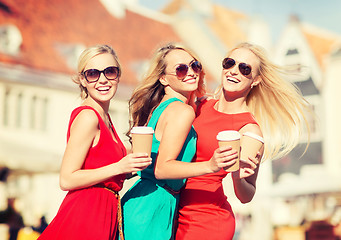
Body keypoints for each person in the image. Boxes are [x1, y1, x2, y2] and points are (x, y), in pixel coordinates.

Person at [175, 42, 311, 240]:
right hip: (174, 208)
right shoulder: (199, 104)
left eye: (244, 69)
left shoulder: (249, 130)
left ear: (255, 80)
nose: (234, 71)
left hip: (207, 219)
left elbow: (246, 196)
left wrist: (238, 176)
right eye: (229, 63)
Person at [121, 42, 239, 240]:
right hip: (154, 207)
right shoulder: (183, 111)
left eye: (194, 65)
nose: (191, 72)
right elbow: (162, 168)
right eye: (181, 69)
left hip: (143, 201)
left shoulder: (159, 107)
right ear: (164, 79)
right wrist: (210, 166)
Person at [38, 45, 151, 240]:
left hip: (103, 213)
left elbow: (105, 169)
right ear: (83, 79)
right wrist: (118, 166)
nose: (103, 79)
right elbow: (67, 178)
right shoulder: (88, 117)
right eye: (93, 74)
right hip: (85, 215)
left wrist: (131, 167)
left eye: (110, 71)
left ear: (118, 75)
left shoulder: (105, 117)